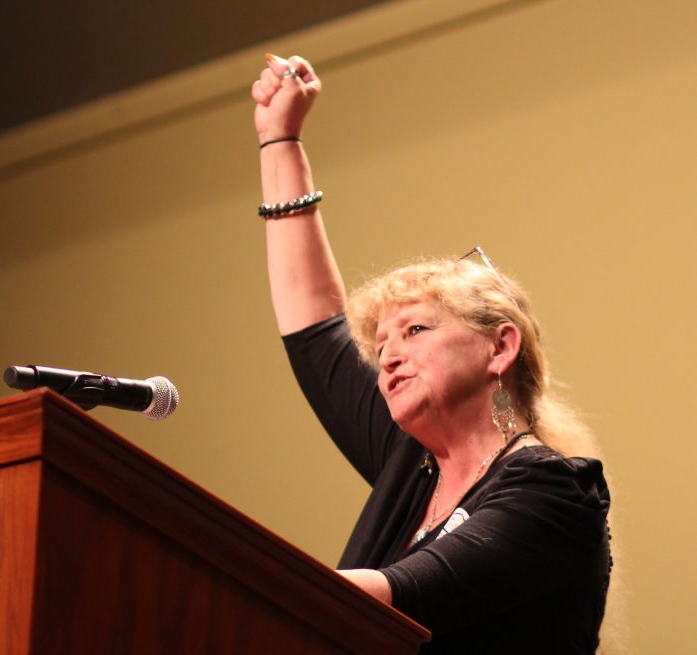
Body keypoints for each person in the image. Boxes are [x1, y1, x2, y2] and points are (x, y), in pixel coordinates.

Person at [252, 54, 611, 654]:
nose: (387, 358)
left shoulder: (552, 489)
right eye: (381, 345)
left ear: (501, 346)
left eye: (415, 331)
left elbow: (409, 593)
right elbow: (314, 326)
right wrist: (279, 139)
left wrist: (237, 577)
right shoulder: (409, 462)